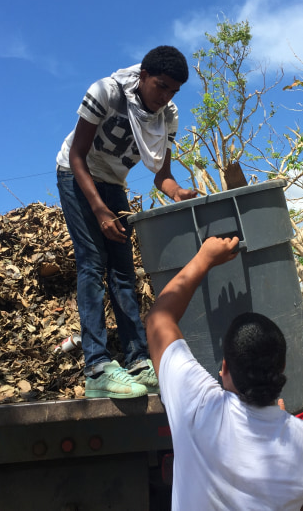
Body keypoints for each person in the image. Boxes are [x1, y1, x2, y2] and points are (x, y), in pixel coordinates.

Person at [145, 236, 303, 510]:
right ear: (281, 368)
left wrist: (204, 259)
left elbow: (158, 319)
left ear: (224, 369)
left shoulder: (198, 407)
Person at [55, 45, 196, 399]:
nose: (165, 97)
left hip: (113, 183)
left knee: (123, 272)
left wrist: (177, 191)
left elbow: (161, 176)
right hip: (77, 175)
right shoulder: (107, 92)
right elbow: (76, 156)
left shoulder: (168, 116)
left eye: (173, 91)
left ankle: (136, 360)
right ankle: (98, 367)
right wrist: (100, 210)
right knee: (92, 263)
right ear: (144, 76)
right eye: (160, 86)